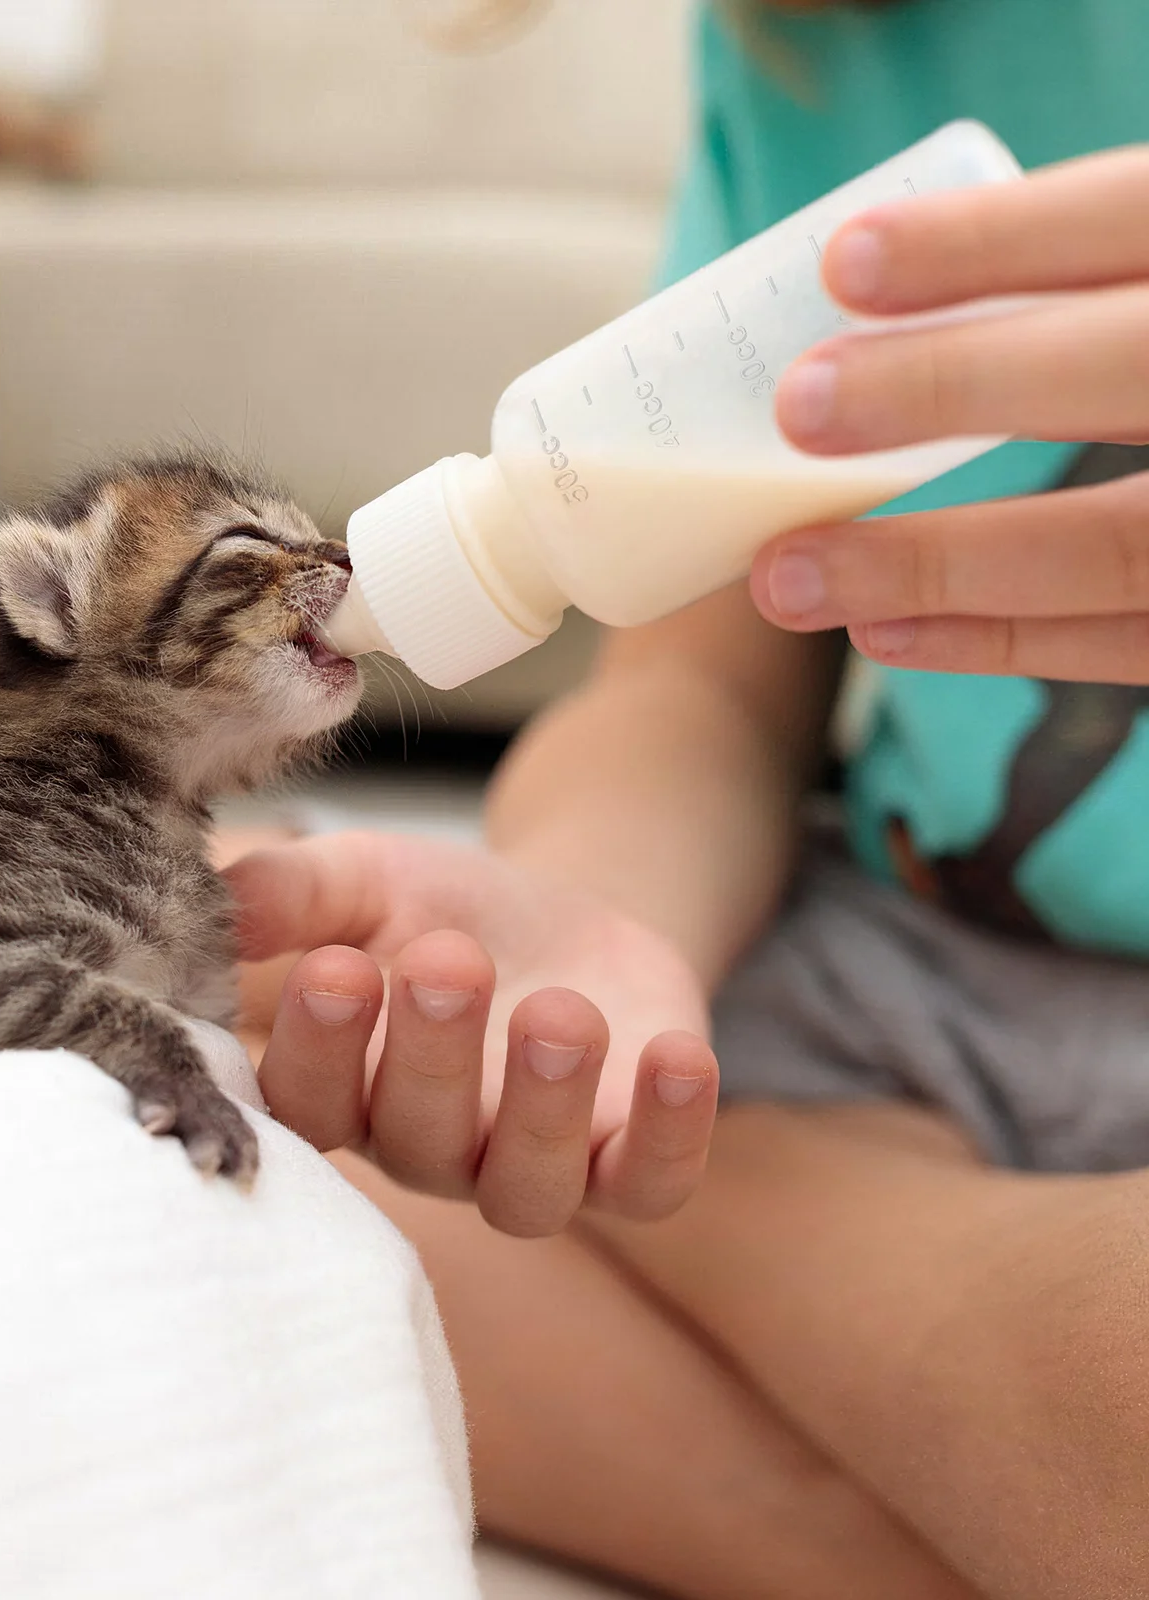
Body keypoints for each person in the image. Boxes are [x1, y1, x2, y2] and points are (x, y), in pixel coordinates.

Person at [227, 3, 1149, 1596]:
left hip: (873, 1114)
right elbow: (698, 693)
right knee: (227, 1134)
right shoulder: (792, 41)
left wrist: (676, 1180)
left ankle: (771, 1261)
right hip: (907, 980)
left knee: (374, 1269)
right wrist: (582, 927)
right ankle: (1007, 1481)